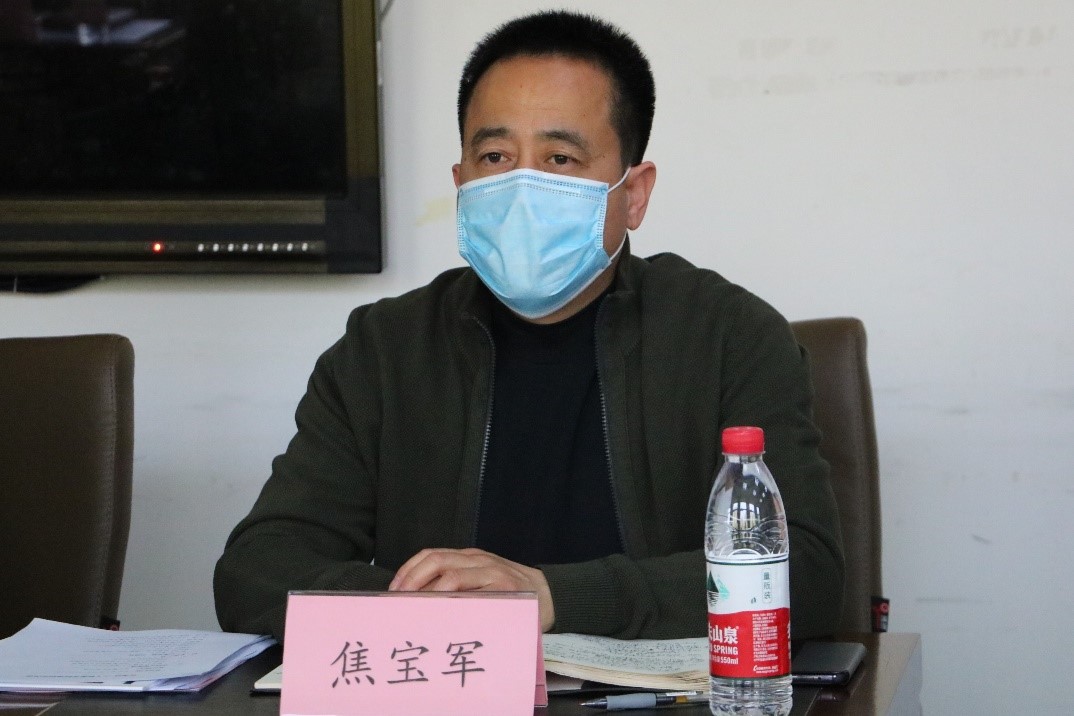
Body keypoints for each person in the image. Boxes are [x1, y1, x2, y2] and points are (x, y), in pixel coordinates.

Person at [214, 10, 844, 643]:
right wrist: (441, 608)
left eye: (560, 158)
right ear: (461, 182)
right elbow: (257, 572)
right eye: (494, 156)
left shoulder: (729, 337)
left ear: (634, 194)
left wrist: (554, 598)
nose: (521, 186)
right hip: (451, 681)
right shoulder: (383, 350)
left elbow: (806, 576)